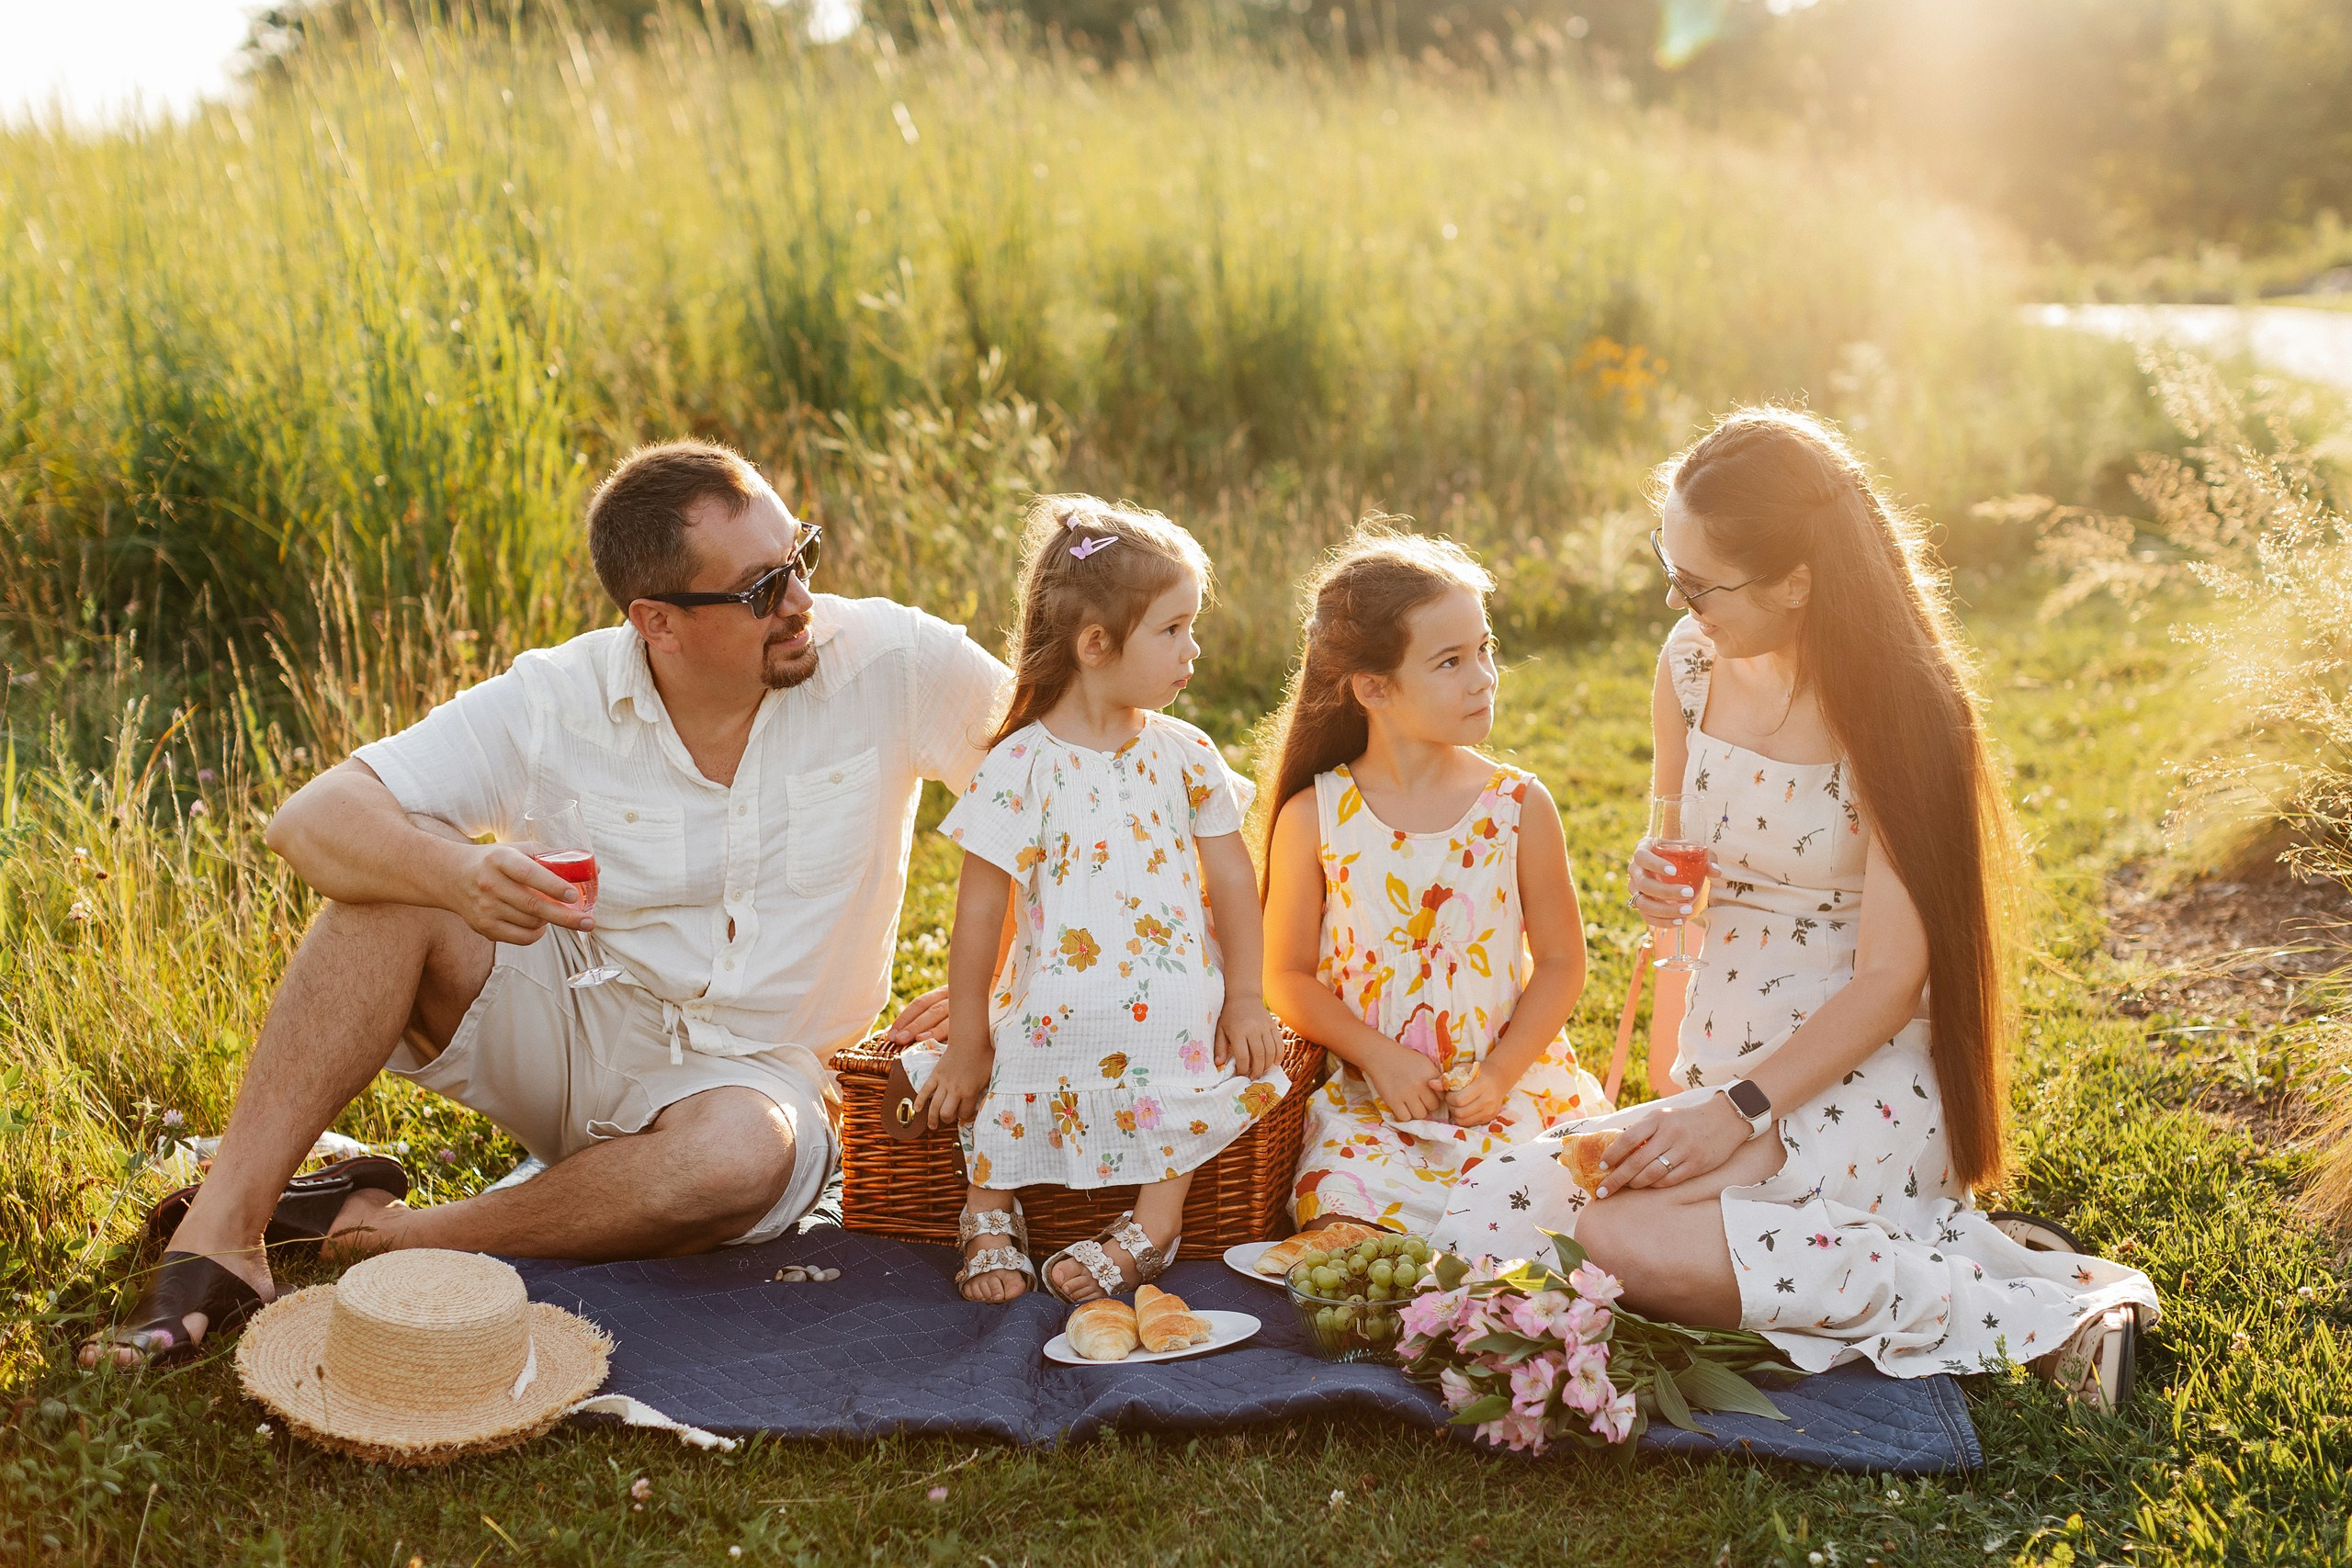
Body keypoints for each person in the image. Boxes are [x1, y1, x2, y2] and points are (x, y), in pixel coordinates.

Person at [82, 440, 1009, 1369]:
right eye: (761, 588)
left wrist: (998, 992)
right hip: (576, 1023)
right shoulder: (557, 698)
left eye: (799, 559)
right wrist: (453, 876)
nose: (802, 602)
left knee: (739, 1154)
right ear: (658, 621)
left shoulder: (892, 661)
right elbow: (310, 822)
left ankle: (384, 1235)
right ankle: (224, 1237)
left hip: (758, 1076)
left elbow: (1074, 793)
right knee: (388, 894)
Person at [1435, 408, 2159, 1407]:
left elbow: (1887, 980)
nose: (1676, 602)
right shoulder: (1688, 666)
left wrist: (1736, 1112)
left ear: (1798, 582)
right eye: (1667, 566)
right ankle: (1922, 1251)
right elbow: (1674, 847)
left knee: (1621, 1238)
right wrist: (1657, 880)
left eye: (1698, 583)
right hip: (1725, 1053)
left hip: (1854, 1063)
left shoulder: (1904, 711)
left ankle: (2047, 1325)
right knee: (1489, 1210)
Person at [904, 497, 1288, 1303]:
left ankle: (1155, 1222)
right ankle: (991, 1202)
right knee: (1025, 1037)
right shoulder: (1020, 764)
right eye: (1173, 629)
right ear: (1095, 645)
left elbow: (1230, 881)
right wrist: (969, 1035)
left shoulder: (1188, 755)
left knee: (1191, 1036)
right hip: (1059, 980)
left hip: (1178, 979)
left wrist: (1246, 998)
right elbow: (977, 913)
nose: (1195, 648)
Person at [1261, 530, 1606, 1239]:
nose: (1482, 677)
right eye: (1451, 661)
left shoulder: (1518, 805)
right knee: (1339, 1220)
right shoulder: (1316, 815)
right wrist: (1378, 1056)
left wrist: (1503, 1072)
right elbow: (1285, 976)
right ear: (1373, 688)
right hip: (1376, 1109)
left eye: (1485, 650)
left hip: (1509, 1094)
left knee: (1562, 1222)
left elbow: (1565, 963)